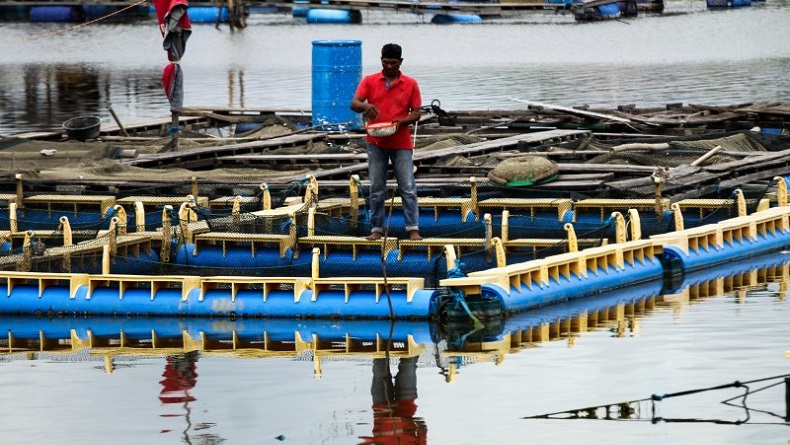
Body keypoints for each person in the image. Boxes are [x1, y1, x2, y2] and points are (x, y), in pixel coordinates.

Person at [350, 43, 423, 241]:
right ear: (381, 61)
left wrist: (402, 122)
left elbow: (416, 112)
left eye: (393, 63)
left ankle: (413, 228)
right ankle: (376, 228)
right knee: (376, 187)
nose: (389, 66)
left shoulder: (410, 84)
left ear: (401, 62)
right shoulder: (370, 81)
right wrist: (366, 106)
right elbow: (354, 103)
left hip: (401, 142)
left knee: (407, 186)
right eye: (385, 62)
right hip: (376, 141)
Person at [359, 356, 427, 444]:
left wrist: (370, 441)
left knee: (379, 364)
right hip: (406, 406)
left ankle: (381, 343)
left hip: (381, 409)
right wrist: (410, 423)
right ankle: (411, 344)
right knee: (408, 364)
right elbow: (423, 428)